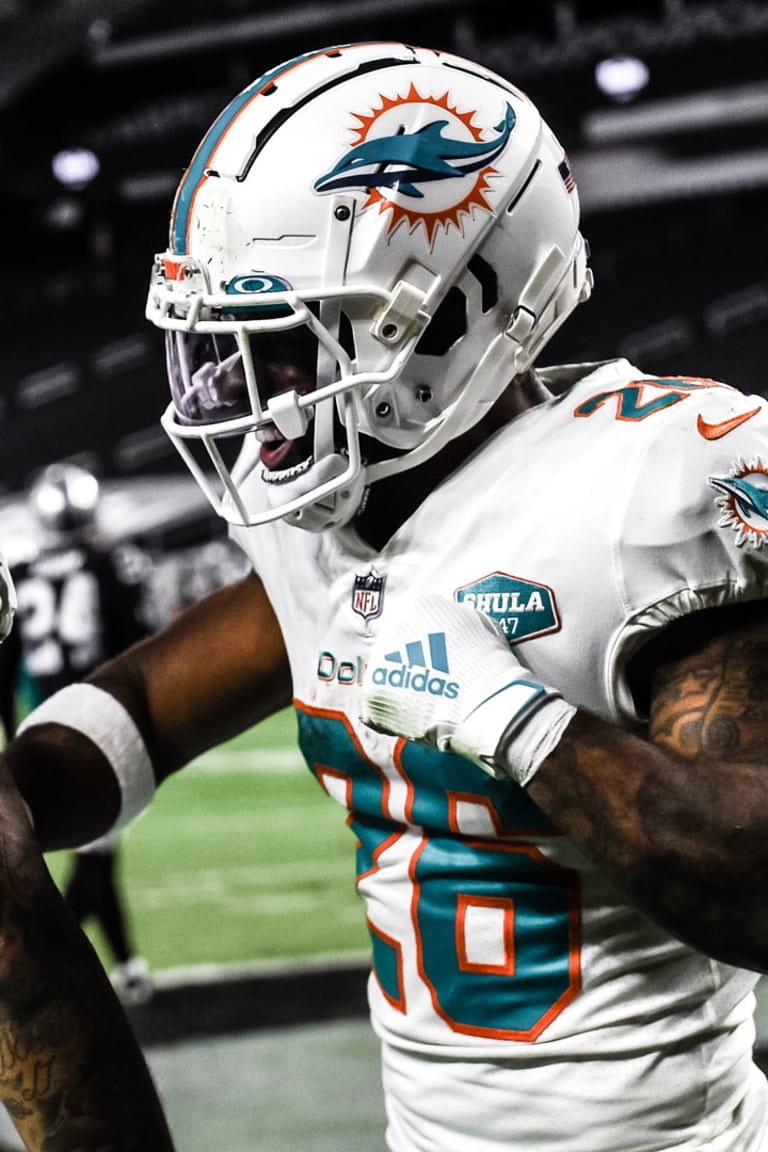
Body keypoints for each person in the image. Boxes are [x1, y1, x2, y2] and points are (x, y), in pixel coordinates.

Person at [3, 40, 768, 1151]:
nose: (258, 397)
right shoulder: (328, 525)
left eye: (296, 342)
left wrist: (516, 719)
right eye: (237, 347)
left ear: (459, 311)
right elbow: (121, 728)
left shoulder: (645, 489)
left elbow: (756, 890)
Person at [0, 551, 175, 1151]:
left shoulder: (35, 572)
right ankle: (129, 963)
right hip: (71, 715)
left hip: (63, 720)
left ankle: (127, 962)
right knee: (85, 877)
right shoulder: (102, 568)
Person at [0, 463, 153, 1006]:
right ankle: (36, 969)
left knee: (97, 854)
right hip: (95, 726)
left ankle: (130, 966)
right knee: (93, 861)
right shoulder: (111, 562)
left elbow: (5, 662)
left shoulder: (20, 570)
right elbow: (141, 646)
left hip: (40, 725)